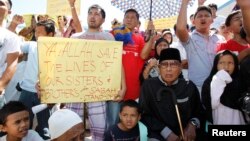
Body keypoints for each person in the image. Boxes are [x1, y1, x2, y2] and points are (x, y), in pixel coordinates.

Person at [68, 1, 126, 140]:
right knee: (71, 128)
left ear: (103, 20)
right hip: (75, 89)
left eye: (97, 14)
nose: (93, 16)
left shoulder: (108, 37)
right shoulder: (75, 37)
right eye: (90, 13)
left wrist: (123, 86)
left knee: (99, 131)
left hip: (98, 90)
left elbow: (117, 63)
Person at [139, 48, 204, 141]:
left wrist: (193, 124)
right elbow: (144, 114)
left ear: (180, 67)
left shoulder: (188, 86)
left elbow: (199, 112)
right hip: (159, 134)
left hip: (186, 135)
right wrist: (166, 132)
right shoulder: (149, 86)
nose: (168, 69)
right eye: (164, 65)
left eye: (173, 64)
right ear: (159, 67)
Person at [18, 20, 56, 139]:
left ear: (50, 35)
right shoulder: (32, 45)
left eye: (40, 32)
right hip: (26, 91)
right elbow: (16, 45)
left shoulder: (58, 50)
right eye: (35, 32)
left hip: (45, 93)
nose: (36, 35)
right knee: (23, 123)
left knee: (45, 126)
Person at [176, 0, 225, 93]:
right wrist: (184, 3)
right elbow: (180, 28)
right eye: (199, 16)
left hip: (221, 86)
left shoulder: (221, 39)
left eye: (206, 15)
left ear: (212, 20)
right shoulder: (189, 39)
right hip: (198, 88)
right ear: (193, 22)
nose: (203, 18)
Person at [201, 50, 245, 125]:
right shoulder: (209, 83)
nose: (226, 66)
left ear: (235, 65)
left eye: (230, 63)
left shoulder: (241, 81)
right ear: (216, 65)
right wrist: (218, 81)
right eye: (221, 63)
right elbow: (212, 104)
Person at [0, 0, 20, 108]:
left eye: (1, 3)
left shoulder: (12, 38)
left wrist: (0, 86)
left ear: (9, 12)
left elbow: (12, 65)